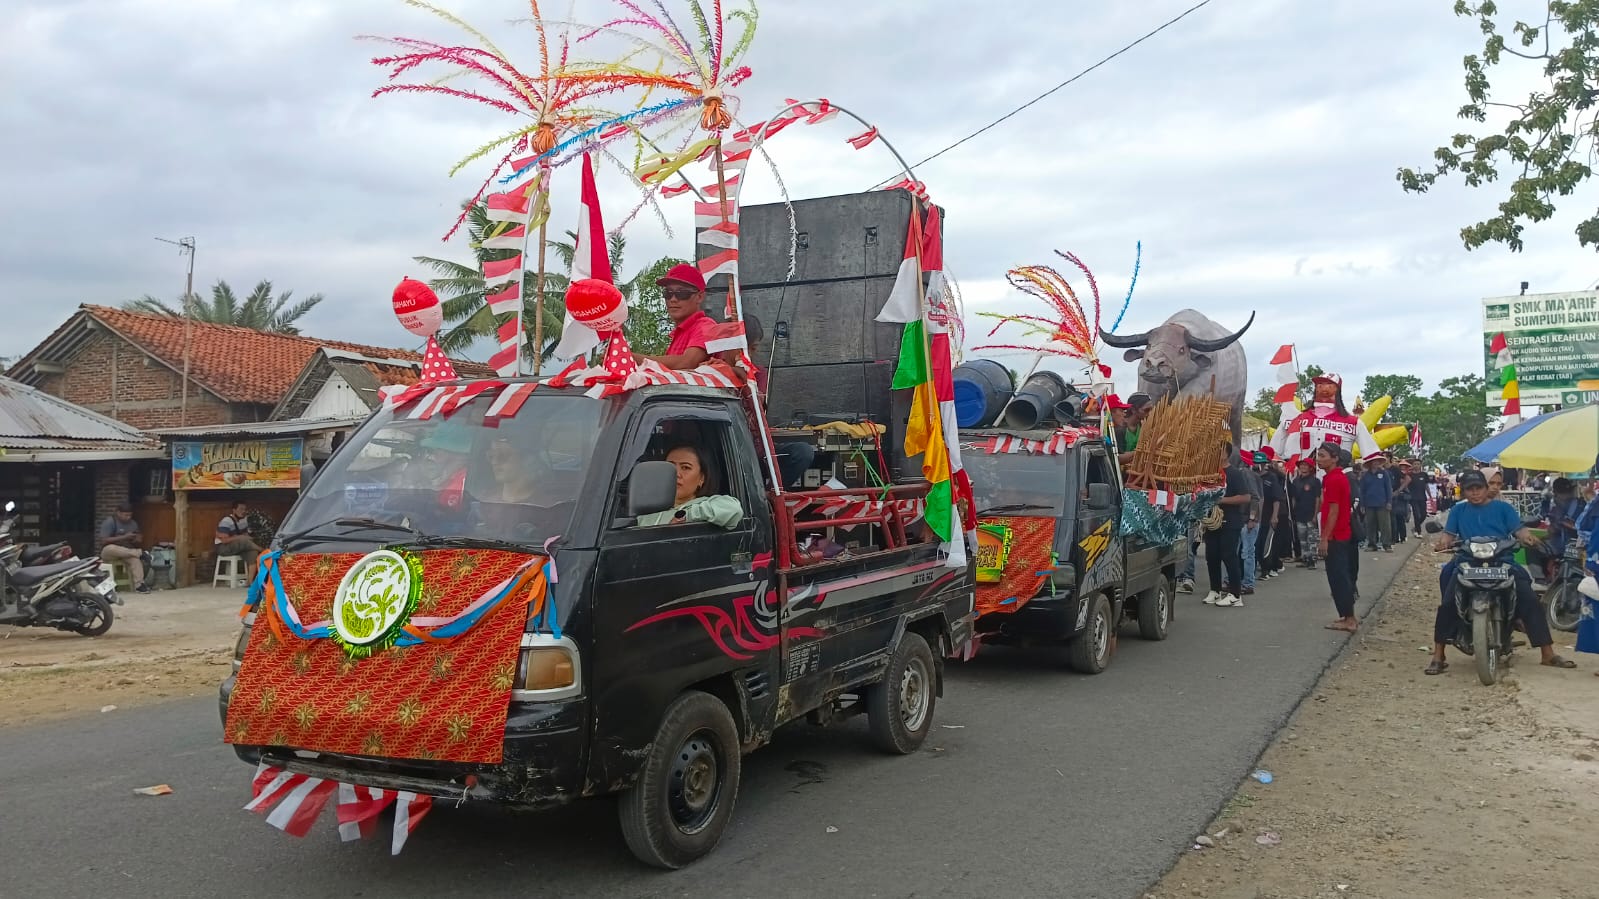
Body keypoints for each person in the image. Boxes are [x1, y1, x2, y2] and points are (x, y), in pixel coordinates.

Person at [1426, 469, 1578, 674]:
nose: (1474, 493)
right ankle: (1438, 654)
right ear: (1464, 492)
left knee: (1529, 598)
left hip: (1501, 561)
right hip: (1467, 563)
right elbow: (1448, 536)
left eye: (1478, 488)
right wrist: (1442, 544)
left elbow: (1520, 530)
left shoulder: (1503, 509)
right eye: (1469, 489)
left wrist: (1528, 538)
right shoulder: (1458, 511)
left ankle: (1547, 653)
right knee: (1447, 604)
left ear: (1485, 488)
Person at [1268, 372, 1380, 467]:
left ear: (1337, 389)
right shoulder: (1295, 419)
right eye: (1320, 384)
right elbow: (1272, 452)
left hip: (1335, 482)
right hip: (1298, 481)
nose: (1323, 387)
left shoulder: (1353, 422)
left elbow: (1372, 455)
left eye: (1329, 384)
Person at [637, 444, 743, 529]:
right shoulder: (648, 512)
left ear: (702, 478)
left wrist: (685, 516)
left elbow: (734, 509)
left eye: (685, 468)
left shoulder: (707, 504)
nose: (676, 473)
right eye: (670, 466)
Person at [638, 264, 716, 371]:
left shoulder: (705, 326)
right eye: (668, 293)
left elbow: (687, 363)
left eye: (681, 293)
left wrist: (629, 357)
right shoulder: (681, 332)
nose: (673, 299)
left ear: (699, 297)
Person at [1203, 445, 1253, 608]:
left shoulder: (1235, 473)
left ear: (1226, 454)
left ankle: (1235, 594)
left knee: (1229, 556)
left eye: (1219, 451)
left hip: (1231, 521)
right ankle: (1215, 590)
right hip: (1212, 520)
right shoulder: (1210, 473)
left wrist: (1222, 500)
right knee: (1212, 556)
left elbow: (1246, 497)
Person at [1317, 443, 1358, 631]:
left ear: (1334, 458)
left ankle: (1349, 618)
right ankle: (1346, 616)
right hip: (1338, 534)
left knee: (1339, 577)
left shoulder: (1335, 479)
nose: (1319, 458)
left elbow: (1334, 511)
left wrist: (1325, 537)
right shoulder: (1330, 478)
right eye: (1318, 455)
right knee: (1338, 577)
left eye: (1323, 455)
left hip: (1338, 536)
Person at [99, 502, 151, 594]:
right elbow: (104, 541)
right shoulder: (110, 522)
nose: (128, 517)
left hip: (127, 551)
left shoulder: (133, 523)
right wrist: (124, 537)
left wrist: (137, 539)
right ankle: (140, 553)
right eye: (126, 515)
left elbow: (138, 536)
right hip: (109, 552)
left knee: (135, 559)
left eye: (130, 515)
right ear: (118, 513)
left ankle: (139, 585)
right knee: (112, 548)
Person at [214, 500, 263, 580]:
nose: (243, 511)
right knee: (243, 541)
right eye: (241, 509)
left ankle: (250, 581)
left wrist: (250, 537)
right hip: (223, 547)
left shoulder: (244, 521)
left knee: (253, 552)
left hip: (238, 546)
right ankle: (262, 549)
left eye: (244, 509)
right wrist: (240, 537)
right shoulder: (226, 521)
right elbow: (224, 540)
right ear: (234, 510)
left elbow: (245, 536)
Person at [1254, 450, 1284, 579]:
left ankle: (1266, 569)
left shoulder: (1271, 477)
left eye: (1261, 463)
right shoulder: (1252, 476)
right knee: (1255, 544)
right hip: (1255, 516)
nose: (1258, 465)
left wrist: (1274, 516)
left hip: (1267, 515)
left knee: (1265, 544)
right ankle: (1256, 567)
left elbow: (1277, 498)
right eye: (1256, 463)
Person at [1239, 452, 1264, 595]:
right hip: (1245, 519)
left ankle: (1248, 583)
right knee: (1245, 552)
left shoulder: (1246, 474)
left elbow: (1255, 497)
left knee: (1247, 552)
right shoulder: (1252, 474)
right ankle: (1243, 582)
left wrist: (1252, 518)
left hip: (1248, 520)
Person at [1359, 453, 1394, 552]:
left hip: (1382, 503)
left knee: (1385, 525)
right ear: (1370, 463)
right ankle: (1372, 544)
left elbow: (1388, 489)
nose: (1376, 463)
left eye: (1377, 461)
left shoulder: (1384, 474)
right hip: (1369, 503)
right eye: (1374, 461)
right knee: (1370, 525)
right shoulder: (1365, 475)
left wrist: (1389, 502)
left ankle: (1386, 544)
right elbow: (1362, 490)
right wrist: (1362, 504)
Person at [1290, 458, 1322, 569]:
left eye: (1305, 465)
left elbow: (1318, 498)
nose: (1303, 467)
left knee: (1312, 539)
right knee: (1302, 538)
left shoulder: (1315, 481)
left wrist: (1315, 514)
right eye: (1301, 465)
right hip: (1299, 513)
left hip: (1310, 513)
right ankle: (1305, 559)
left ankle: (1312, 560)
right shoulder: (1296, 481)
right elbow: (1293, 497)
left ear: (1310, 467)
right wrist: (1293, 512)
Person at [1391, 464, 1412, 545]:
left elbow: (1408, 479)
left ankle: (1402, 537)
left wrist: (1399, 490)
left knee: (1399, 517)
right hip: (1391, 497)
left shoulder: (1397, 471)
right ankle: (1395, 537)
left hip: (1400, 497)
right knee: (1393, 519)